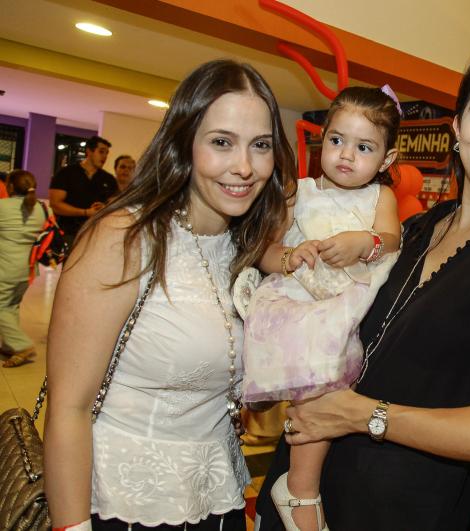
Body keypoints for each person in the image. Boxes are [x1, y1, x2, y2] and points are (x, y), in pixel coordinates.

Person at [255, 45, 470, 531]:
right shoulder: (415, 228)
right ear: (457, 128)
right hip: (301, 493)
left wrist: (362, 416)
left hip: (402, 511)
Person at [44, 59, 297, 531]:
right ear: (184, 142)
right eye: (221, 142)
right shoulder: (126, 237)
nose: (244, 167)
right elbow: (68, 407)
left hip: (217, 497)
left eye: (260, 145)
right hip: (122, 503)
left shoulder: (245, 247)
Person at [243, 86, 402, 531]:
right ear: (321, 140)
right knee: (321, 379)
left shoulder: (380, 198)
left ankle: (300, 485)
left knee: (329, 389)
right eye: (337, 140)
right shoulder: (299, 193)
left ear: (386, 159)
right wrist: (290, 256)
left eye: (364, 147)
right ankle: (300, 488)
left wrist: (365, 242)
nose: (346, 155)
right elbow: (264, 251)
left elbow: (392, 241)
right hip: (302, 304)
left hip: (350, 304)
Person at [0, 170, 46, 367]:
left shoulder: (3, 206)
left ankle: (21, 345)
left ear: (10, 186)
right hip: (28, 269)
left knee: (1, 306)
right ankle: (9, 345)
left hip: (6, 268)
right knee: (12, 305)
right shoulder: (41, 209)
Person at [49, 135, 118, 251]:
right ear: (89, 151)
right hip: (69, 233)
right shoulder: (66, 173)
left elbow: (115, 205)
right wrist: (85, 212)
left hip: (97, 234)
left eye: (107, 153)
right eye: (101, 152)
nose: (104, 157)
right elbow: (55, 205)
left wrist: (104, 208)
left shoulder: (109, 179)